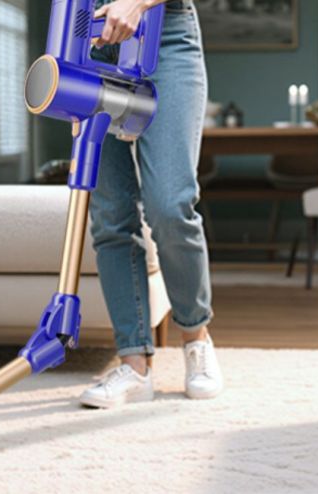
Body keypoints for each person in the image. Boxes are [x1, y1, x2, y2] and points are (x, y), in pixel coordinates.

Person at [79, 0, 223, 408]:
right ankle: (134, 364)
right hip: (87, 40)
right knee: (109, 213)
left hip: (167, 34)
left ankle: (196, 338)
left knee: (170, 204)